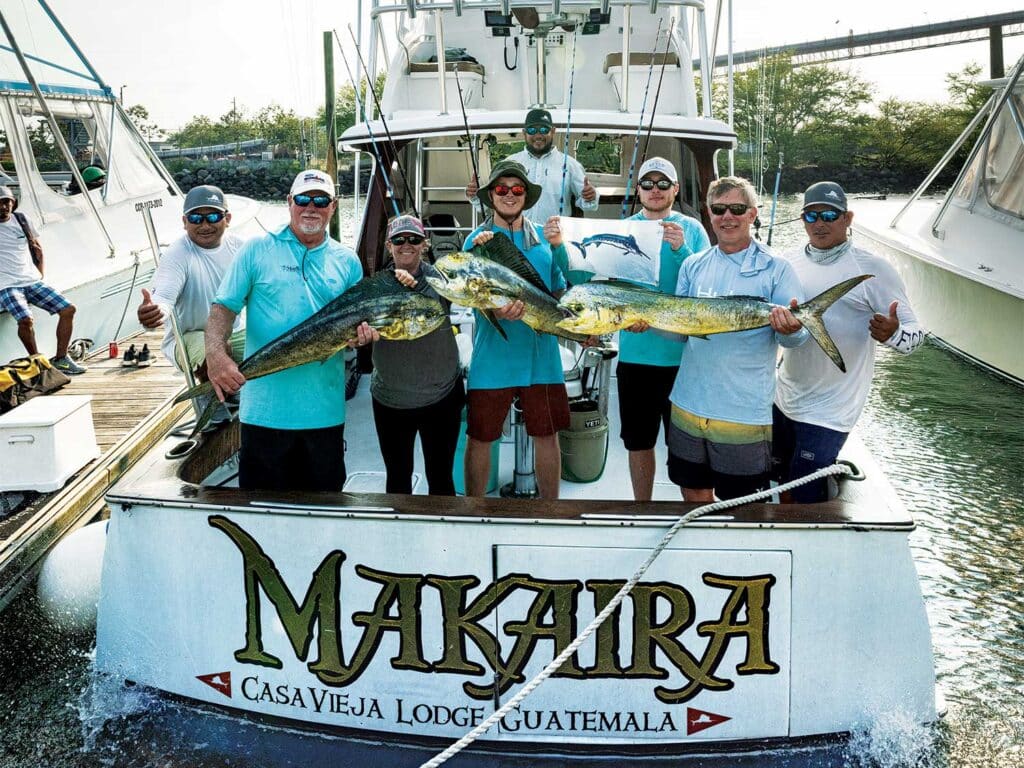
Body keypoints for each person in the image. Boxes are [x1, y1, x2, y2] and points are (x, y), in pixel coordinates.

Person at [205, 169, 367, 492]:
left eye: (320, 200)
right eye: (303, 199)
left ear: (333, 206)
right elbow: (222, 309)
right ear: (288, 202)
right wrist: (214, 353)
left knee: (322, 520)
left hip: (324, 417)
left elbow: (359, 326)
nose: (311, 207)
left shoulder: (349, 262)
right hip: (263, 417)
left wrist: (361, 337)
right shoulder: (255, 251)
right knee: (262, 519)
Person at [773, 181, 924, 502]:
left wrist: (893, 334)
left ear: (848, 218)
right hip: (783, 399)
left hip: (832, 410)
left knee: (804, 493)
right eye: (811, 216)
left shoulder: (873, 269)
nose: (820, 223)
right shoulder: (785, 263)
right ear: (801, 220)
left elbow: (916, 335)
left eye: (829, 214)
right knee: (779, 483)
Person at [666, 176, 806, 502]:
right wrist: (644, 323)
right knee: (693, 488)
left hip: (743, 412)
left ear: (752, 214)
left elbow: (796, 342)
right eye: (718, 209)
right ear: (709, 214)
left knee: (743, 502)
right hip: (688, 403)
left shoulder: (777, 268)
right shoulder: (692, 264)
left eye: (737, 208)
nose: (727, 216)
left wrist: (793, 329)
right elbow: (680, 335)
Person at [462, 160, 570, 499]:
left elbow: (563, 289)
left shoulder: (543, 240)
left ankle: (550, 509)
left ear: (527, 196)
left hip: (543, 359)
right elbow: (468, 292)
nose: (510, 195)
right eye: (502, 189)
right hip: (493, 358)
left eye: (517, 190)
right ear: (491, 196)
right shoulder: (474, 241)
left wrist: (561, 247)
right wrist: (495, 307)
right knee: (480, 437)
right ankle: (474, 509)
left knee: (547, 435)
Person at [617, 157, 710, 501]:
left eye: (662, 184)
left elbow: (705, 286)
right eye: (647, 184)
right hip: (635, 355)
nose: (654, 191)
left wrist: (680, 248)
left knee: (685, 444)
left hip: (684, 359)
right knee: (638, 442)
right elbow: (611, 282)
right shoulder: (626, 228)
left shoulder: (693, 230)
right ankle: (642, 506)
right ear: (638, 190)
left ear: (675, 189)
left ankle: (695, 510)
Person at [371, 215, 465, 495]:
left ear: (424, 244)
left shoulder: (441, 279)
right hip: (390, 400)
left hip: (442, 397)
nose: (406, 245)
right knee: (397, 479)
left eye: (414, 239)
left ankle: (444, 538)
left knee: (441, 477)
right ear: (389, 245)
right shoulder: (377, 285)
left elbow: (466, 291)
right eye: (399, 240)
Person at [136, 185, 245, 375]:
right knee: (217, 351)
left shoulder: (240, 248)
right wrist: (153, 313)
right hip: (190, 336)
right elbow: (163, 300)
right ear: (185, 221)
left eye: (213, 217)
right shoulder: (177, 255)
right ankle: (213, 401)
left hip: (233, 331)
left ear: (227, 219)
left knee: (276, 351)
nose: (205, 225)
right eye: (195, 218)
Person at [0, 186, 85, 374]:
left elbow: (37, 248)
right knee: (25, 320)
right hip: (6, 285)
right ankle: (38, 362)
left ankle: (61, 358)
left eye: (6, 202)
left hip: (31, 280)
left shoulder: (21, 220)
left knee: (68, 309)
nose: (3, 206)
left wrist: (39, 274)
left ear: (12, 203)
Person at [466, 108, 599, 223]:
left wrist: (591, 196)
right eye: (532, 130)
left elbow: (588, 205)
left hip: (555, 238)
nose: (538, 135)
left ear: (552, 131)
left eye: (543, 129)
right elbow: (493, 202)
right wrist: (475, 196)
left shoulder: (570, 165)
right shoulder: (509, 163)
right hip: (516, 237)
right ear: (524, 133)